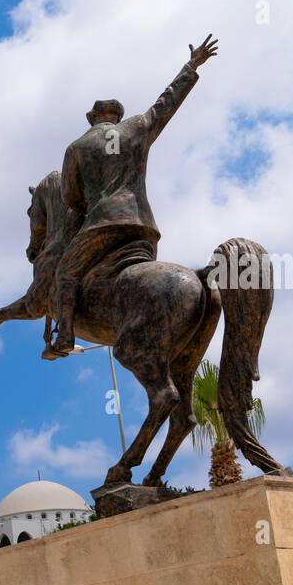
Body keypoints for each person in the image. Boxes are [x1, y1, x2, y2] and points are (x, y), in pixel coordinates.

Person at [45, 35, 218, 359]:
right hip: (142, 230)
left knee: (64, 274)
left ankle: (65, 337)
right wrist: (192, 66)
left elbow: (70, 196)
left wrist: (87, 207)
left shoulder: (78, 147)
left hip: (101, 229)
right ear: (118, 116)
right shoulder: (136, 128)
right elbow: (166, 104)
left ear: (92, 118)